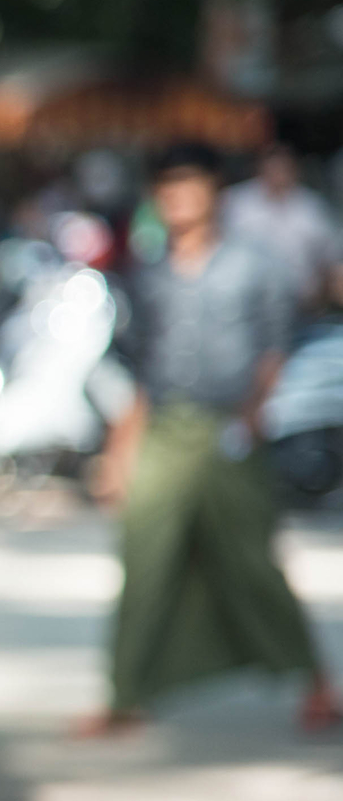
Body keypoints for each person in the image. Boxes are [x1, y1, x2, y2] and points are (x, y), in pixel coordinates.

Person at [88, 142, 338, 736]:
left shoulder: (254, 265)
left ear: (214, 192)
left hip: (230, 430)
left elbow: (275, 348)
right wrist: (121, 452)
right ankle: (125, 694)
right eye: (166, 187)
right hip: (166, 428)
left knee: (252, 557)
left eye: (189, 185)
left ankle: (314, 683)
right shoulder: (149, 274)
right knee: (144, 556)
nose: (178, 199)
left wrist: (251, 419)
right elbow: (140, 370)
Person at [221, 141, 342, 311]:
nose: (278, 173)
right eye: (273, 167)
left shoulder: (312, 207)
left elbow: (331, 259)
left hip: (303, 305)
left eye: (284, 167)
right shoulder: (235, 202)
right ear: (260, 168)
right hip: (244, 303)